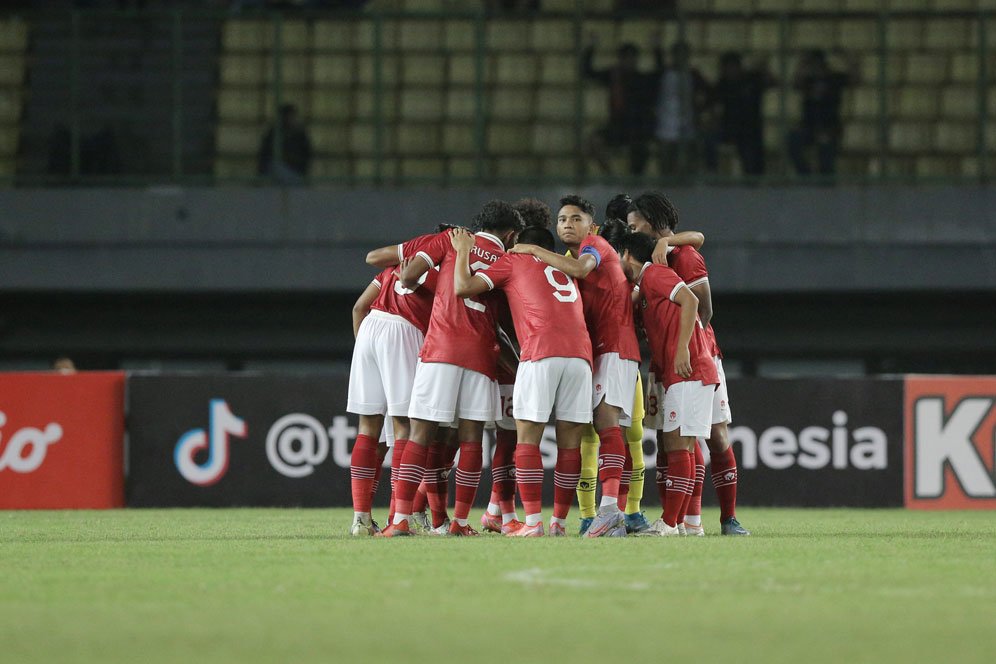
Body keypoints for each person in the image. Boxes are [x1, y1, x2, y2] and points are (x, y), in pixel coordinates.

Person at [379, 201, 524, 537]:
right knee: (471, 437)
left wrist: (429, 293)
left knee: (421, 433)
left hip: (441, 347)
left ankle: (400, 519)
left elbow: (409, 274)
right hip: (480, 354)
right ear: (511, 235)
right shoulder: (509, 261)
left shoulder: (452, 239)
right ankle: (459, 523)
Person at [454, 225, 593, 537]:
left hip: (540, 351)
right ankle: (558, 523)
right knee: (571, 444)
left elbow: (463, 287)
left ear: (518, 244)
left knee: (527, 438)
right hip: (581, 356)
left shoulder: (514, 260)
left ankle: (532, 523)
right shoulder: (564, 267)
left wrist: (463, 249)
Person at [627, 191, 749, 536]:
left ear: (650, 223)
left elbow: (703, 308)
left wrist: (686, 344)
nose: (632, 230)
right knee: (672, 438)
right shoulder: (650, 262)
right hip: (668, 357)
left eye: (635, 225)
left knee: (714, 436)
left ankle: (727, 518)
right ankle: (687, 521)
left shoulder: (684, 254)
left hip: (698, 355)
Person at [616, 231, 718, 536]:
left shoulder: (656, 274)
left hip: (690, 369)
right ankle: (683, 524)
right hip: (681, 373)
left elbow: (690, 300)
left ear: (626, 255)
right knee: (681, 447)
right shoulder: (645, 285)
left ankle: (671, 523)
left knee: (678, 445)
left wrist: (684, 347)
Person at [346, 238, 438, 536]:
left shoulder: (395, 266)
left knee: (367, 428)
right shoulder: (444, 270)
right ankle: (399, 517)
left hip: (370, 329)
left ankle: (361, 519)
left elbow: (359, 307)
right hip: (404, 332)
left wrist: (366, 351)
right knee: (405, 427)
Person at [583, 33, 664, 177]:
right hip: (618, 127)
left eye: (632, 58)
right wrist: (591, 48)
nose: (629, 61)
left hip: (638, 129)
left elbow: (660, 74)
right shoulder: (614, 77)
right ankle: (611, 177)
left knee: (641, 149)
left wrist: (657, 49)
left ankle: (636, 179)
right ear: (620, 59)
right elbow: (587, 72)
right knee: (593, 142)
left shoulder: (642, 79)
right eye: (626, 58)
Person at [787, 50, 858, 177]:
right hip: (808, 127)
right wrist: (801, 64)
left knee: (825, 148)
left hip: (829, 127)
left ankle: (826, 184)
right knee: (792, 140)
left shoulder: (834, 78)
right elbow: (795, 83)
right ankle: (805, 175)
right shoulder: (808, 80)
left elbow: (855, 79)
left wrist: (848, 58)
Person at [705, 51, 774, 177]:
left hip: (750, 130)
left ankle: (753, 181)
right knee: (710, 138)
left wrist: (764, 68)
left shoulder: (752, 79)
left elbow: (772, 83)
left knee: (751, 163)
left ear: (739, 67)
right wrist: (713, 120)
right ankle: (712, 172)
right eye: (726, 68)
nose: (730, 71)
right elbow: (712, 105)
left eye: (732, 67)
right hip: (729, 128)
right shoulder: (722, 84)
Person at [655, 41, 712, 178]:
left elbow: (709, 94)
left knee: (689, 162)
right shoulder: (663, 73)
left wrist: (701, 106)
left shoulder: (693, 75)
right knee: (666, 164)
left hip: (688, 123)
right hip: (666, 125)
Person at [258, 104, 312, 184]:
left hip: (295, 174)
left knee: (275, 167)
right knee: (274, 167)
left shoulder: (300, 134)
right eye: (287, 116)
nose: (289, 119)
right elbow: (264, 156)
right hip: (278, 174)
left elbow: (307, 156)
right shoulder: (273, 133)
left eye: (292, 116)